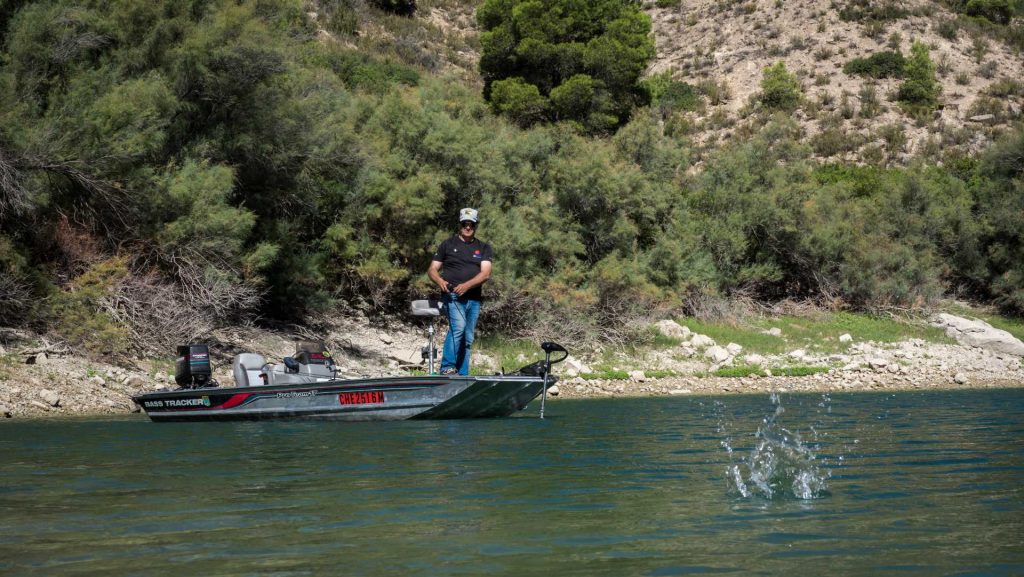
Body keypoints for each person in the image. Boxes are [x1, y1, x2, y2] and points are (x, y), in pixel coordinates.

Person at [427, 208, 493, 376]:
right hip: (453, 296)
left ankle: (462, 374)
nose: (468, 227)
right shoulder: (447, 244)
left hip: (474, 298)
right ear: (460, 224)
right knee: (459, 328)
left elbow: (486, 273)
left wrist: (467, 285)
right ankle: (447, 368)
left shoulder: (483, 247)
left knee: (468, 336)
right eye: (465, 224)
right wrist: (440, 281)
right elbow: (432, 269)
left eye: (471, 224)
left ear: (476, 225)